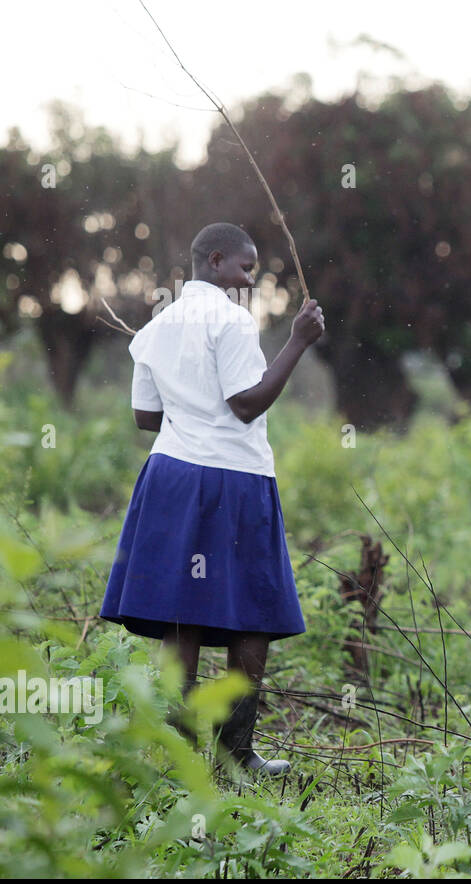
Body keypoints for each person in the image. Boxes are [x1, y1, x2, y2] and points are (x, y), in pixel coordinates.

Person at [100, 222, 325, 774]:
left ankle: (180, 761)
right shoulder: (232, 320)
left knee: (183, 613)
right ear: (215, 260)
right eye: (245, 268)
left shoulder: (156, 326)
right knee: (253, 612)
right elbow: (247, 404)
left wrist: (190, 407)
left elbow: (145, 418)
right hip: (234, 478)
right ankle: (237, 756)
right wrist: (298, 340)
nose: (250, 278)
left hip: (171, 475)